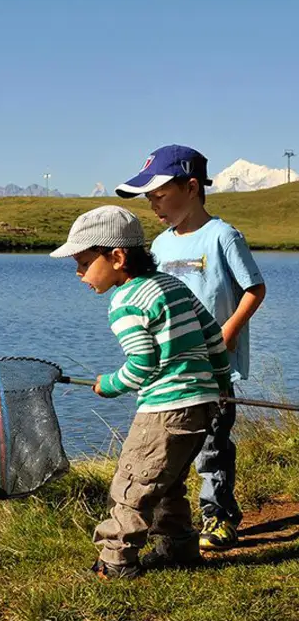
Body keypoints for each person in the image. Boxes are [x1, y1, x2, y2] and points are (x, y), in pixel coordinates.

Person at [50, 205, 232, 578]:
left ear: (117, 257)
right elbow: (214, 336)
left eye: (84, 263)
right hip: (202, 406)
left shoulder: (125, 302)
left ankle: (115, 562)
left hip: (164, 411)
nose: (80, 274)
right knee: (168, 483)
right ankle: (178, 548)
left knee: (133, 485)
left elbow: (142, 364)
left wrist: (110, 385)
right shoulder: (171, 285)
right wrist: (220, 385)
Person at [116, 145, 267, 550]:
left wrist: (229, 331)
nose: (153, 206)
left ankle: (217, 516)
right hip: (171, 374)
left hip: (215, 370)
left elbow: (255, 289)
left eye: (160, 196)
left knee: (213, 446)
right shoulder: (161, 246)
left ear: (193, 187)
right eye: (149, 199)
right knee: (173, 450)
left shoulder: (222, 236)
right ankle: (171, 521)